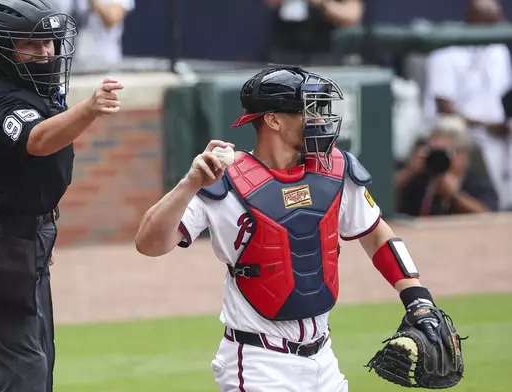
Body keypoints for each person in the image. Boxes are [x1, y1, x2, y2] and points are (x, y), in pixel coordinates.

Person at [134, 66, 463, 392]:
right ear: (274, 120)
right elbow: (149, 244)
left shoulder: (334, 169)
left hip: (324, 360)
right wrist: (189, 184)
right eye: (309, 112)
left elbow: (377, 234)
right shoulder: (221, 180)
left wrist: (417, 299)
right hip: (259, 364)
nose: (320, 121)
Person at [0, 1, 123, 391]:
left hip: (23, 236)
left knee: (40, 359)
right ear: (5, 48)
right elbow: (37, 141)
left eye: (50, 43)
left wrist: (36, 230)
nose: (45, 52)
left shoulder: (33, 87)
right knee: (23, 370)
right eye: (32, 44)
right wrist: (90, 109)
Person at [423, 0, 512, 211]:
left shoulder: (499, 49)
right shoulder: (446, 50)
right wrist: (486, 126)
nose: (496, 26)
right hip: (459, 135)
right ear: (472, 19)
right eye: (490, 21)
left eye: (498, 20)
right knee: (456, 130)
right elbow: (444, 107)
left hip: (496, 133)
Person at [396, 115, 498, 216]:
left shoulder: (475, 182)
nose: (439, 159)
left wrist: (455, 196)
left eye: (445, 153)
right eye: (435, 152)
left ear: (462, 154)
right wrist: (410, 170)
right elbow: (385, 198)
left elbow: (488, 215)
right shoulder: (420, 179)